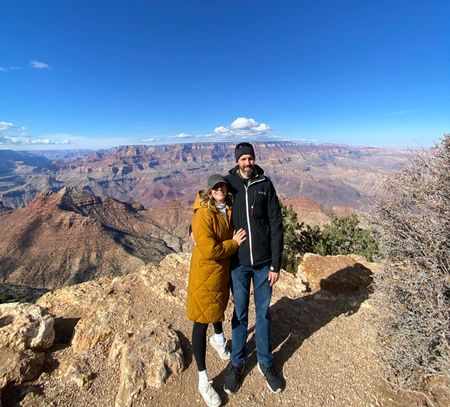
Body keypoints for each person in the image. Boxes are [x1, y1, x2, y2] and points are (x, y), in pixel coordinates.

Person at [223, 142, 284, 394]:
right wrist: (195, 229)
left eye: (250, 158)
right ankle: (237, 363)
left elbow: (276, 224)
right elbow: (209, 208)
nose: (247, 163)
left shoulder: (265, 184)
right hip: (238, 264)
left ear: (254, 160)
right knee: (239, 314)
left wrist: (275, 264)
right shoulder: (228, 185)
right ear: (237, 161)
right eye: (243, 159)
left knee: (263, 313)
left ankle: (265, 363)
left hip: (262, 265)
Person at [186, 173, 246, 407]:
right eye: (215, 187)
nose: (220, 190)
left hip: (221, 270)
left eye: (223, 186)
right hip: (205, 273)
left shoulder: (227, 206)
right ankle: (203, 380)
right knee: (201, 321)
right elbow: (210, 249)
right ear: (209, 191)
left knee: (218, 307)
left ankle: (219, 341)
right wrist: (234, 243)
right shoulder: (204, 213)